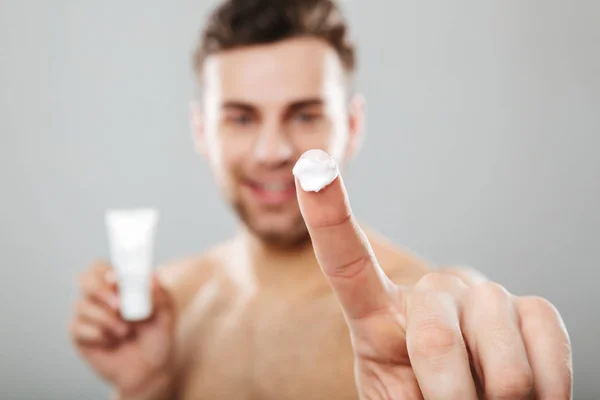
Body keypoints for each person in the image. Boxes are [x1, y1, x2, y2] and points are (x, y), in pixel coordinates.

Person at [69, 0, 573, 398]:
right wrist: (143, 390)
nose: (273, 151)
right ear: (201, 131)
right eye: (241, 118)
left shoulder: (414, 314)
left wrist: (474, 334)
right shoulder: (170, 304)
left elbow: (462, 309)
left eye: (306, 115)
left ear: (352, 127)